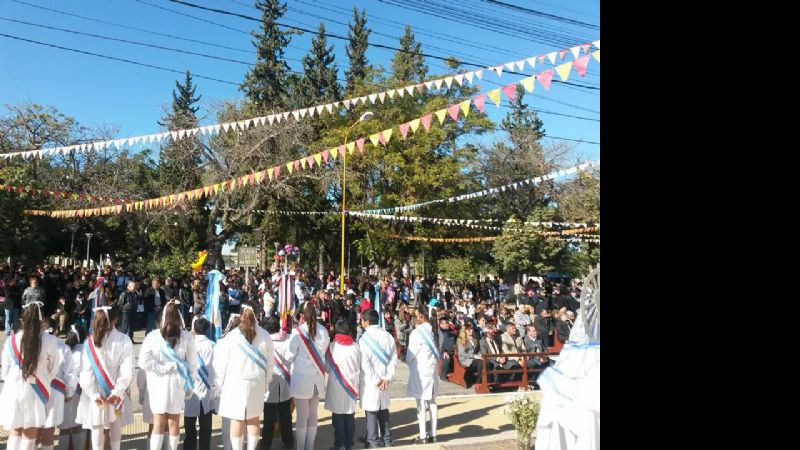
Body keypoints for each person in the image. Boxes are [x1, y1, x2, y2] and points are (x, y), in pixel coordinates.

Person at [0, 301, 60, 450]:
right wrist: (42, 378)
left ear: (22, 320)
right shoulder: (50, 340)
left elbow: (5, 370)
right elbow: (53, 369)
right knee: (30, 430)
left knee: (15, 429)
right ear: (42, 321)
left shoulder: (11, 340)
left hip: (13, 387)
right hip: (36, 389)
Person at [139, 299, 198, 450]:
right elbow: (192, 364)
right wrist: (190, 384)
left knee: (158, 422)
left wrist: (162, 367)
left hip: (157, 383)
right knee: (174, 422)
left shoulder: (152, 336)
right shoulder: (187, 336)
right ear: (179, 317)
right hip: (178, 384)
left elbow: (143, 362)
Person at [216, 302, 274, 450]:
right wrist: (266, 383)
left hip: (235, 383)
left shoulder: (231, 336)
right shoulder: (265, 335)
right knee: (253, 419)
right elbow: (270, 364)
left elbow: (222, 364)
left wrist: (219, 384)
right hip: (257, 382)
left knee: (237, 420)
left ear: (241, 316)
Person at [286, 301, 330, 450]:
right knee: (313, 415)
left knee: (301, 417)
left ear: (303, 315)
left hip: (301, 379)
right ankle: (309, 447)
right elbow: (323, 352)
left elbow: (289, 355)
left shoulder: (297, 332)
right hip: (317, 378)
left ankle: (300, 448)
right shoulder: (323, 331)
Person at [359, 309, 398, 449]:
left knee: (371, 412)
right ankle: (388, 440)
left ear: (367, 322)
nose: (361, 323)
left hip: (372, 382)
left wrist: (376, 381)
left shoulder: (364, 340)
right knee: (383, 411)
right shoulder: (387, 336)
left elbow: (365, 363)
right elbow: (394, 357)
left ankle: (373, 441)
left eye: (362, 320)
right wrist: (387, 377)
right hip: (385, 380)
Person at [324, 318, 361, 450]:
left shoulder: (332, 347)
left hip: (337, 386)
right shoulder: (355, 346)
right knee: (349, 415)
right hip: (351, 384)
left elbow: (327, 368)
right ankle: (349, 443)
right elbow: (359, 365)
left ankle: (340, 444)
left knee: (338, 416)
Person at [406, 306, 441, 444]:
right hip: (432, 371)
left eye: (416, 315)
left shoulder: (417, 333)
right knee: (432, 401)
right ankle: (433, 434)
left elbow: (410, 356)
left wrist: (410, 365)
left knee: (420, 403)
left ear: (421, 316)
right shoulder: (437, 332)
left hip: (420, 370)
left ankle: (422, 435)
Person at [261, 316, 293, 450]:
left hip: (270, 385)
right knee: (286, 416)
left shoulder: (264, 343)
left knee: (268, 418)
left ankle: (266, 444)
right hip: (286, 384)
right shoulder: (288, 340)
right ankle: (289, 443)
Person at [184, 317, 216, 450]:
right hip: (207, 389)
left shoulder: (188, 345)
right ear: (207, 330)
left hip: (191, 389)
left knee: (190, 427)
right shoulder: (213, 345)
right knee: (206, 427)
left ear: (194, 330)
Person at [59, 324, 88, 450]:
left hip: (62, 391)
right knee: (78, 425)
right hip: (79, 392)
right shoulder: (85, 351)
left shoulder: (63, 349)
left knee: (64, 427)